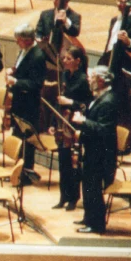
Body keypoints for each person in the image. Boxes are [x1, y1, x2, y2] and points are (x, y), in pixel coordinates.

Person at [73, 66, 119, 234]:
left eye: (91, 77)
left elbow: (104, 129)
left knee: (93, 188)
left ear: (100, 81)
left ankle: (96, 224)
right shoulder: (100, 96)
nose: (88, 80)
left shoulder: (108, 101)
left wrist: (83, 121)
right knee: (88, 185)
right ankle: (88, 218)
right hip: (93, 150)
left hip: (101, 154)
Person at [3, 24, 48, 182]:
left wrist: (16, 81)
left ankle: (26, 174)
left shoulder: (38, 56)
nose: (17, 42)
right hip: (19, 102)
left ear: (29, 40)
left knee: (27, 141)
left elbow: (36, 84)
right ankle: (18, 171)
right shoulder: (24, 50)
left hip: (29, 105)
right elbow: (23, 70)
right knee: (18, 137)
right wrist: (13, 71)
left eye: (19, 39)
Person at [52, 45, 92, 210]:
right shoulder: (64, 75)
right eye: (64, 58)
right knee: (63, 162)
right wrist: (53, 124)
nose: (64, 61)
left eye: (68, 58)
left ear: (78, 61)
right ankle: (63, 196)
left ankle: (73, 198)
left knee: (74, 163)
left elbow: (86, 105)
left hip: (75, 125)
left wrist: (70, 102)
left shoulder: (83, 79)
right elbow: (58, 101)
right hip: (63, 124)